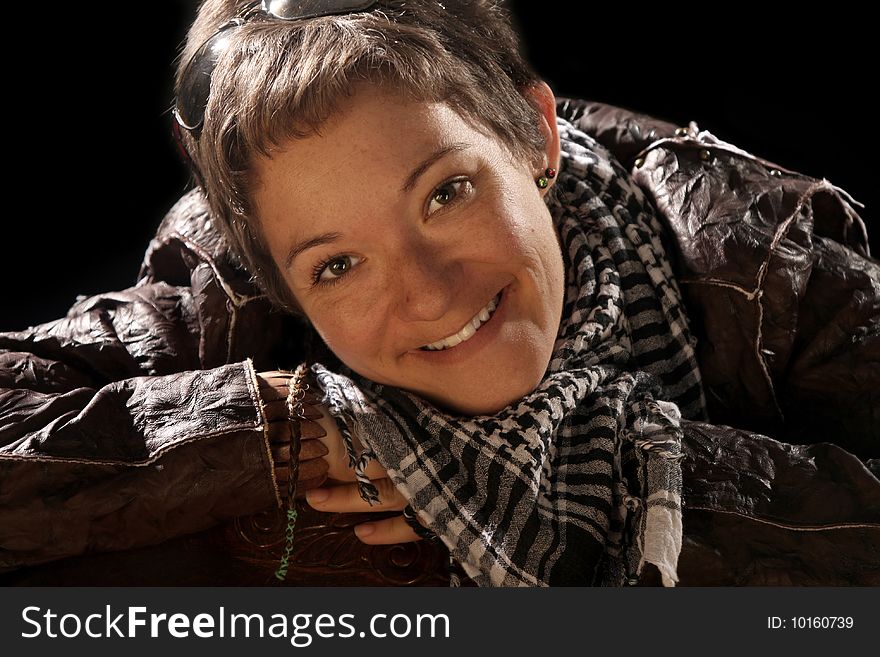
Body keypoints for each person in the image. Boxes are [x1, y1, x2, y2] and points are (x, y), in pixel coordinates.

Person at [1, 0, 878, 586]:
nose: (427, 295)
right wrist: (279, 432)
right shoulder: (227, 281)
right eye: (336, 266)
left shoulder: (768, 253)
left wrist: (646, 492)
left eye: (446, 193)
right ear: (281, 285)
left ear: (535, 135)